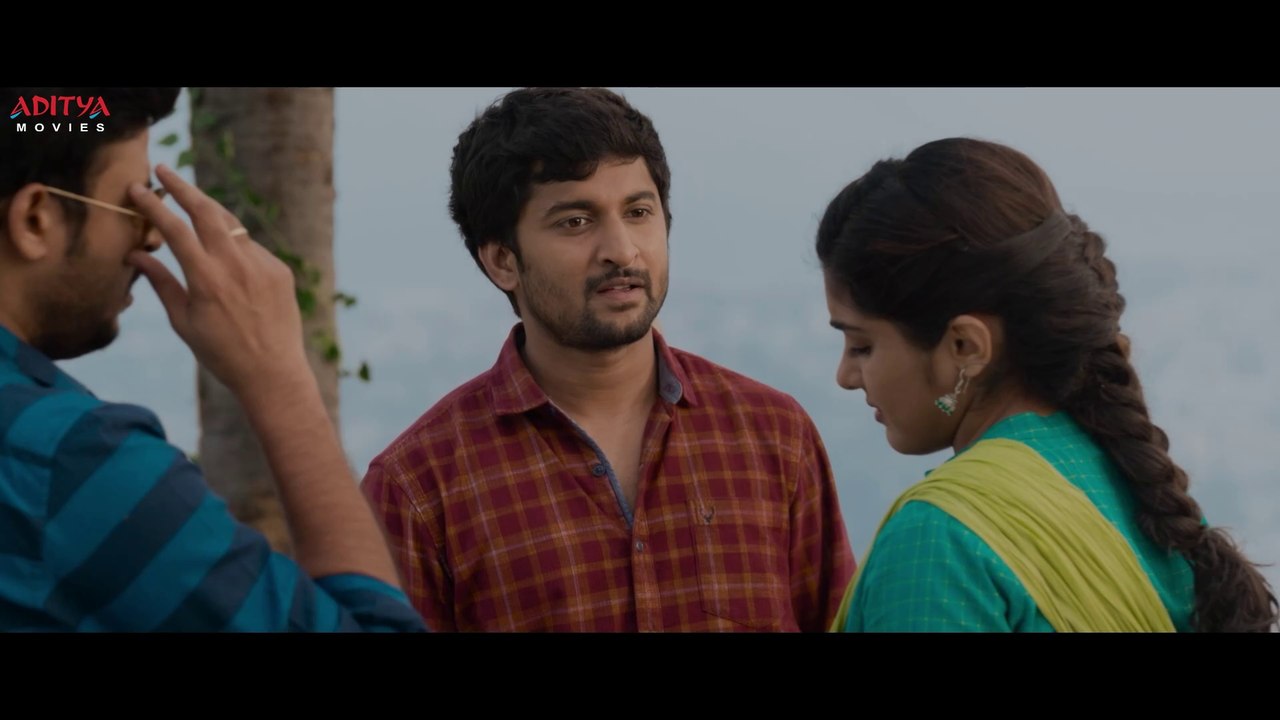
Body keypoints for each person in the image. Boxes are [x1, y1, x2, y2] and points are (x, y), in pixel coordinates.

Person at [362, 87, 855, 632]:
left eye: (639, 212)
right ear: (503, 261)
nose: (621, 250)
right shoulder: (419, 486)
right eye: (576, 221)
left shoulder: (774, 435)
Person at [0, 87, 426, 632]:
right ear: (35, 220)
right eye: (135, 207)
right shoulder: (66, 463)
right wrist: (282, 380)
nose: (153, 238)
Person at [816, 136, 1279, 632]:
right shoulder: (1147, 495)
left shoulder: (938, 540)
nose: (845, 376)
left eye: (862, 346)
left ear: (965, 347)